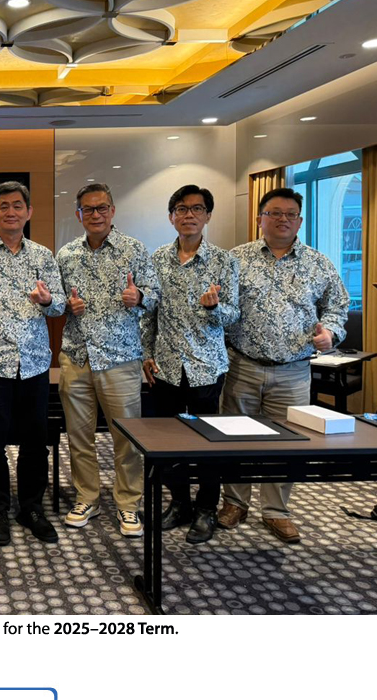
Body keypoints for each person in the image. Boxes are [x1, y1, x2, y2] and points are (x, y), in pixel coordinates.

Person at [220, 187, 349, 543]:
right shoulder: (235, 259)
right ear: (259, 218)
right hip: (242, 365)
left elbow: (337, 306)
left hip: (293, 370)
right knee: (235, 438)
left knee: (286, 441)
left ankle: (276, 511)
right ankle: (234, 502)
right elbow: (222, 308)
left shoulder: (318, 263)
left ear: (300, 221)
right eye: (274, 213)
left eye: (290, 214)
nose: (283, 220)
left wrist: (331, 333)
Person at [0, 181, 66, 546]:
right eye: (3, 206)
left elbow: (59, 306)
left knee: (35, 442)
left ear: (28, 212)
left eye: (18, 205)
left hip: (34, 365)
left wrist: (47, 300)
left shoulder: (43, 256)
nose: (11, 211)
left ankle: (31, 507)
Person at [56, 183, 159, 538]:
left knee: (126, 439)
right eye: (88, 209)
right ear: (78, 215)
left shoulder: (135, 249)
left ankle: (128, 503)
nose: (95, 214)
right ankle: (87, 498)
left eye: (102, 208)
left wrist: (139, 295)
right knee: (79, 437)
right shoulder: (66, 254)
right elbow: (54, 301)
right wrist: (67, 305)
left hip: (120, 359)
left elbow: (156, 294)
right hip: (77, 357)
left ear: (113, 211)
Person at [141, 185, 239, 544]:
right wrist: (146, 353)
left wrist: (214, 308)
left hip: (206, 367)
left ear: (208, 216)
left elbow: (234, 314)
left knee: (208, 442)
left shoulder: (224, 261)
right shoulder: (157, 259)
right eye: (181, 209)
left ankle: (206, 509)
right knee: (170, 442)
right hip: (165, 366)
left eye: (197, 209)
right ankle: (180, 503)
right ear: (171, 217)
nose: (189, 215)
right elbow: (148, 313)